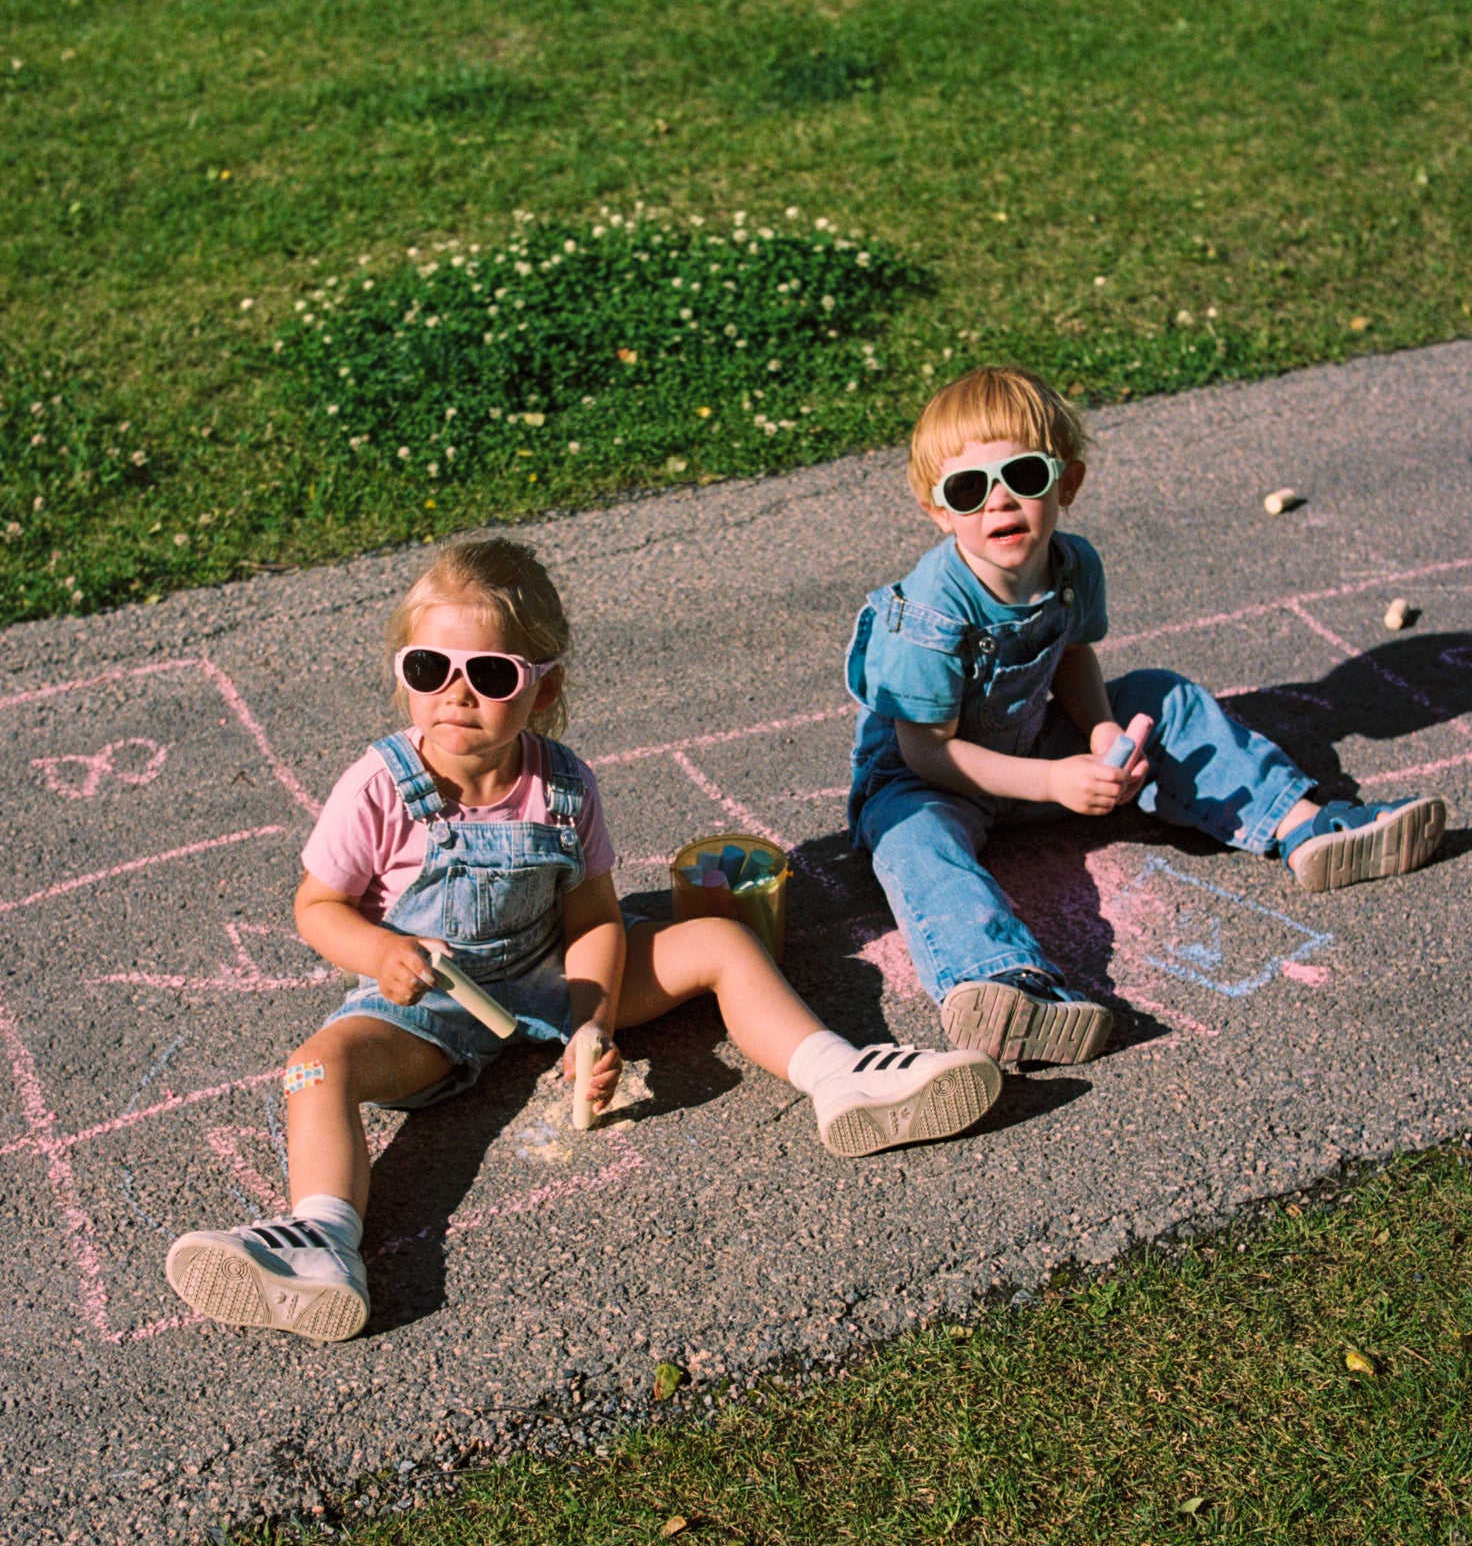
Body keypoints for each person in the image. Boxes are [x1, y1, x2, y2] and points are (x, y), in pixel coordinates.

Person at [166, 536, 1002, 1343]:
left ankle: (840, 1075)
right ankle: (322, 1240)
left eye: (489, 675)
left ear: (541, 686)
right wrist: (375, 952)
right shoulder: (379, 784)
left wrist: (591, 1018)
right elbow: (317, 906)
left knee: (717, 940)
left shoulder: (563, 784)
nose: (455, 694)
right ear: (404, 677)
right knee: (317, 1066)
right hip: (431, 1002)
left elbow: (595, 919)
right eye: (429, 670)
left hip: (546, 971)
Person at [846, 363, 1447, 1069]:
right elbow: (926, 752)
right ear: (938, 509)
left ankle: (1303, 827)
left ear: (1066, 483)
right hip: (932, 778)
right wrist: (1051, 785)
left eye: (1024, 477)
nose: (998, 503)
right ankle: (999, 982)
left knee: (1160, 696)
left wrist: (1101, 730)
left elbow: (1069, 654)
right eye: (970, 489)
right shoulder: (927, 614)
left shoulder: (1071, 566)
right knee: (911, 838)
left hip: (1036, 743)